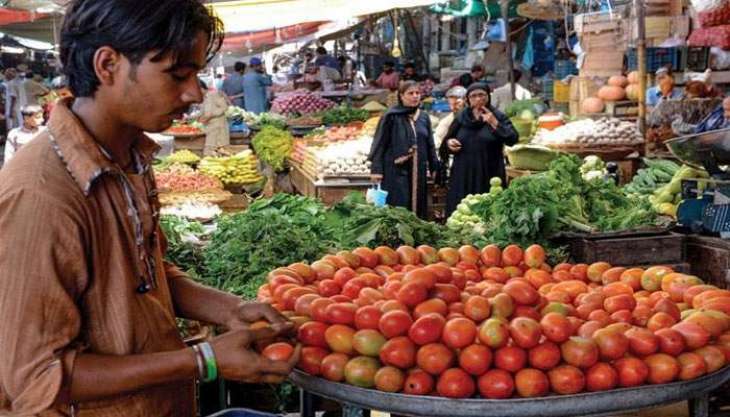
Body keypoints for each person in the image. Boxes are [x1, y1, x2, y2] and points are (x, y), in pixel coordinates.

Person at [0, 1, 299, 416]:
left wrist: (230, 309)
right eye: (178, 74)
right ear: (108, 65)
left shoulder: (129, 158)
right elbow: (36, 377)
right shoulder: (41, 195)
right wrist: (204, 360)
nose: (195, 93)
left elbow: (147, 275)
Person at [439, 83, 519, 217]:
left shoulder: (498, 116)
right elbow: (447, 142)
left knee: (488, 214)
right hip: (463, 173)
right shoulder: (461, 117)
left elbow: (513, 139)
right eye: (473, 96)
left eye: (481, 95)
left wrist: (494, 123)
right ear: (468, 99)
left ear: (488, 97)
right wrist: (449, 144)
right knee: (461, 213)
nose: (478, 99)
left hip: (489, 172)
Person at [368, 81, 439, 219]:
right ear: (401, 96)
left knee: (418, 202)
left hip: (418, 169)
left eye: (417, 93)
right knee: (399, 203)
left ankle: (417, 236)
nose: (415, 96)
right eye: (410, 93)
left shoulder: (423, 117)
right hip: (395, 170)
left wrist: (434, 166)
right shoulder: (391, 116)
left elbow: (430, 143)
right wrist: (376, 169)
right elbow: (380, 143)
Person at [200, 87, 230, 155]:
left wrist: (212, 115)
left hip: (218, 126)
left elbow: (224, 107)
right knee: (210, 150)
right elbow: (203, 112)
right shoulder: (204, 98)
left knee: (220, 150)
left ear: (201, 88)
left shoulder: (214, 94)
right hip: (210, 127)